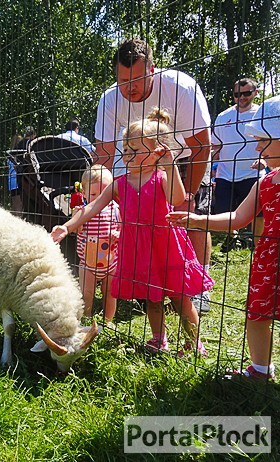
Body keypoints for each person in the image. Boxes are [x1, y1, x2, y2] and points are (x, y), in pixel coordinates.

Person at [53, 108, 213, 356]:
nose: (127, 155)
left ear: (157, 150)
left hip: (167, 246)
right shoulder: (119, 184)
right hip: (139, 249)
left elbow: (178, 198)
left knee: (181, 299)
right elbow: (91, 207)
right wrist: (67, 226)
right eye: (125, 150)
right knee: (152, 298)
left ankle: (194, 343)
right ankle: (159, 339)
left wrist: (170, 166)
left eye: (135, 150)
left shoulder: (161, 177)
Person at [94, 38, 213, 314]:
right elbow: (104, 155)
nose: (129, 87)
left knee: (191, 220)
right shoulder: (110, 99)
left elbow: (201, 147)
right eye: (123, 80)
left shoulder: (180, 87)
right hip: (141, 164)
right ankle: (150, 282)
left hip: (184, 159)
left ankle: (198, 287)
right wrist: (98, 191)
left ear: (152, 69)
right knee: (143, 226)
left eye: (136, 79)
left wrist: (187, 196)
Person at [167, 95, 280, 381]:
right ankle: (259, 370)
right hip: (269, 262)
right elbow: (237, 218)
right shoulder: (265, 182)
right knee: (257, 315)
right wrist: (197, 219)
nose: (257, 148)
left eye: (264, 141)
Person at [211, 78, 265, 252]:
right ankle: (234, 238)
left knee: (258, 213)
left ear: (255, 93)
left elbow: (270, 141)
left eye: (246, 93)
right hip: (225, 173)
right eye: (237, 94)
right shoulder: (223, 116)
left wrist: (264, 160)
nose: (241, 98)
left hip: (253, 174)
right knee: (223, 209)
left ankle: (257, 246)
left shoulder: (262, 114)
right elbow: (216, 145)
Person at [72, 165, 120, 323]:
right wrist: (77, 218)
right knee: (86, 293)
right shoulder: (83, 211)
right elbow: (76, 230)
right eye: (93, 194)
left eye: (104, 193)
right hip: (88, 263)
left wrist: (118, 234)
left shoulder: (116, 210)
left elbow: (124, 228)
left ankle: (107, 322)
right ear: (84, 193)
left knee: (111, 294)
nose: (99, 198)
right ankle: (85, 320)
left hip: (111, 262)